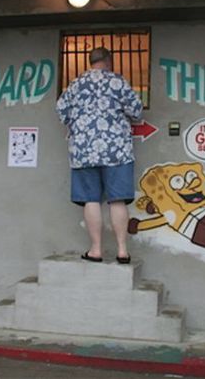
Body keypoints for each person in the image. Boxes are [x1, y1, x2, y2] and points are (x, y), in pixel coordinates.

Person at [56, 47, 143, 264]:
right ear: (109, 61)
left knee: (90, 200)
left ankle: (96, 250)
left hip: (84, 151)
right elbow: (136, 111)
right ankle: (122, 250)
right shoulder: (118, 82)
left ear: (90, 61)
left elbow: (61, 111)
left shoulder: (76, 84)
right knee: (117, 200)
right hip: (117, 151)